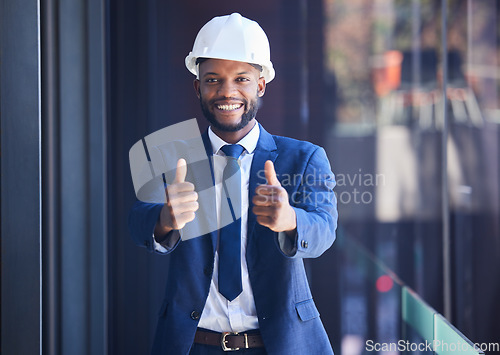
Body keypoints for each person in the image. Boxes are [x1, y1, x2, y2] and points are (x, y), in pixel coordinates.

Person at [129, 13, 338, 354]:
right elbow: (137, 221)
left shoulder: (303, 157)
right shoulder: (172, 156)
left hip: (280, 345)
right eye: (212, 80)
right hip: (193, 345)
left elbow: (325, 229)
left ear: (260, 85)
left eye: (241, 78)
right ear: (198, 87)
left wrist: (290, 221)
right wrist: (165, 219)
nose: (227, 92)